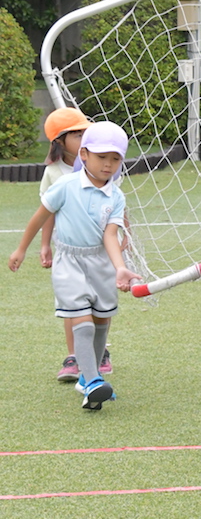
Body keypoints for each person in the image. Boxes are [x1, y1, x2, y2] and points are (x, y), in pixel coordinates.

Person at [8, 121, 141, 410]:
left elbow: (110, 234)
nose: (108, 165)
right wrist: (22, 249)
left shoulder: (116, 196)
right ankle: (93, 380)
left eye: (115, 159)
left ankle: (87, 376)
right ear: (84, 155)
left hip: (102, 263)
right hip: (69, 261)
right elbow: (41, 216)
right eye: (101, 157)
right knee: (81, 320)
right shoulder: (65, 186)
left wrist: (119, 266)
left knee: (101, 320)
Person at [38, 108, 114, 382]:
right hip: (68, 250)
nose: (85, 137)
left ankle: (100, 352)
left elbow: (115, 202)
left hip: (99, 248)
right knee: (73, 304)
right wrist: (45, 245)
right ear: (59, 140)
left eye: (86, 132)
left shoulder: (103, 164)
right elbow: (47, 211)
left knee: (100, 303)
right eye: (78, 134)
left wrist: (123, 232)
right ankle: (74, 356)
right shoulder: (53, 173)